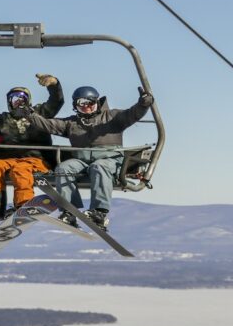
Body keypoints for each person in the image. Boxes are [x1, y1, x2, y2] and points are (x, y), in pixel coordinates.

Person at [23, 85, 154, 229]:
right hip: (83, 161)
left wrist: (143, 103)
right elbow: (48, 125)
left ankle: (99, 212)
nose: (87, 107)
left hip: (109, 160)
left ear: (97, 102)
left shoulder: (112, 117)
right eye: (81, 104)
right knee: (64, 167)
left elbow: (133, 114)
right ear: (75, 106)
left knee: (99, 166)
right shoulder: (71, 123)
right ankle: (69, 212)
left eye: (90, 103)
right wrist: (30, 115)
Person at [0, 74, 64, 219]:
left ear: (28, 101)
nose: (19, 102)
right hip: (9, 158)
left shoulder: (40, 114)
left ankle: (23, 204)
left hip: (36, 159)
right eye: (15, 99)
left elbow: (56, 102)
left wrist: (53, 85)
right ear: (9, 102)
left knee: (20, 170)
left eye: (22, 98)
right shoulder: (3, 120)